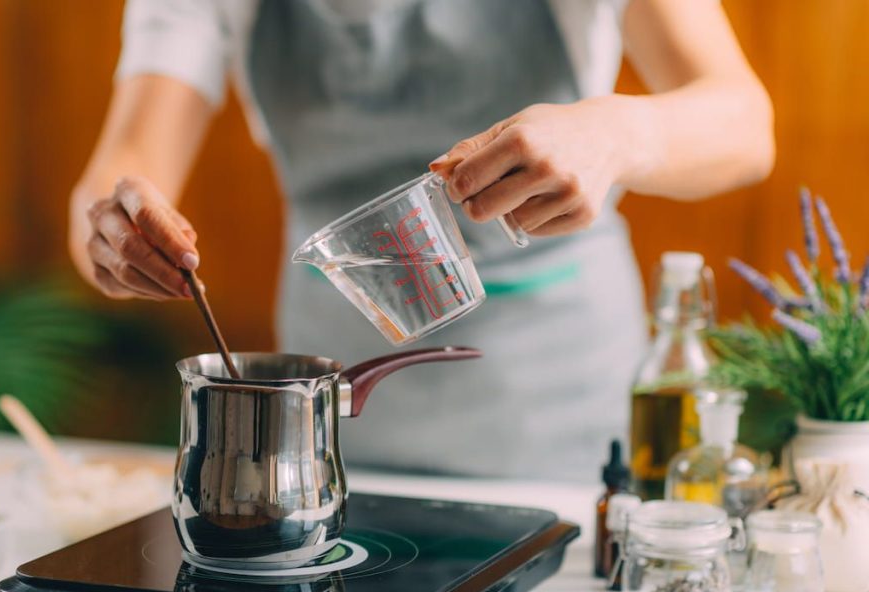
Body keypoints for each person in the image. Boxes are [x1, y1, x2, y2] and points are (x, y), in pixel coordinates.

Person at [69, 0, 773, 480]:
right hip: (335, 405)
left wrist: (621, 134)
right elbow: (125, 162)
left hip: (557, 390)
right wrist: (110, 228)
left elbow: (745, 123)